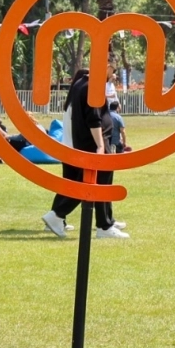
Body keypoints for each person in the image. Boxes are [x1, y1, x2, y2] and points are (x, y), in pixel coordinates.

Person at [42, 66, 126, 240]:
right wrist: (100, 145)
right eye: (112, 68)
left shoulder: (83, 85)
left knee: (97, 184)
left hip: (83, 144)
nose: (113, 73)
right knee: (90, 186)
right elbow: (93, 118)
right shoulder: (90, 87)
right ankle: (58, 215)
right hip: (91, 145)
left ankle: (105, 222)